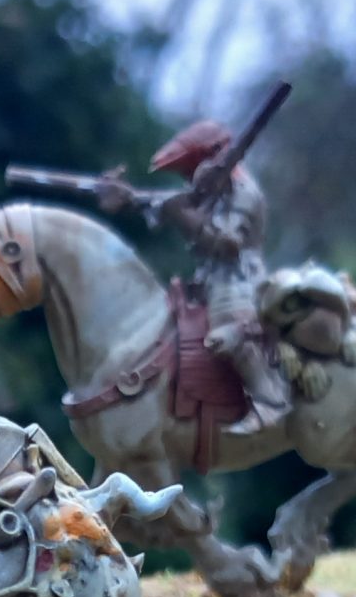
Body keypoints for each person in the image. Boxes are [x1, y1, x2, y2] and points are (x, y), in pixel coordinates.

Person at [98, 119, 290, 438]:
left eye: (191, 171)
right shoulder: (213, 193)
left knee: (230, 332)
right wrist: (127, 197)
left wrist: (181, 216)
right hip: (208, 282)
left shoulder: (244, 195)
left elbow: (227, 245)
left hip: (241, 281)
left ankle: (270, 400)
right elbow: (164, 201)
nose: (189, 180)